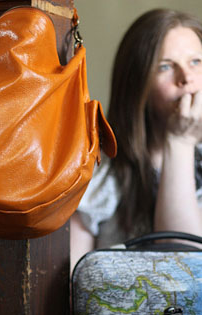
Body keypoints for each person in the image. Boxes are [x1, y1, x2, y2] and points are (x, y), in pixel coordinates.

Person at [71, 8, 202, 268]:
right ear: (137, 82)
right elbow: (70, 280)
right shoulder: (101, 170)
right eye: (165, 66)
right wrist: (179, 140)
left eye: (196, 62)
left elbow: (192, 272)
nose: (186, 78)